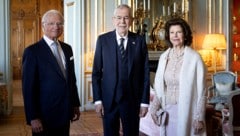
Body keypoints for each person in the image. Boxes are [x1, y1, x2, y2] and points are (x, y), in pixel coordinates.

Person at [92, 4, 150, 136]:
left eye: (126, 18)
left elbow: (145, 74)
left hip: (132, 100)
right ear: (113, 20)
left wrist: (144, 102)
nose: (122, 22)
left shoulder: (139, 41)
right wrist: (98, 100)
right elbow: (96, 73)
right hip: (109, 100)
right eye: (119, 17)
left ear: (131, 20)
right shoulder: (103, 40)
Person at [22, 9, 80, 136]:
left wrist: (75, 104)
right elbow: (28, 88)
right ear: (43, 26)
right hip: (44, 116)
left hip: (65, 113)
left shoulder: (67, 49)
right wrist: (33, 117)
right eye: (51, 23)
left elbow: (71, 79)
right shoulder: (32, 52)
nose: (56, 27)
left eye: (60, 23)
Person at [150, 18, 207, 136]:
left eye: (179, 32)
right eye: (172, 32)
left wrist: (199, 117)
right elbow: (159, 87)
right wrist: (154, 108)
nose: (175, 36)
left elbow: (203, 90)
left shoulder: (194, 58)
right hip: (167, 111)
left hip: (187, 111)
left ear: (185, 35)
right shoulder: (163, 57)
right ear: (168, 36)